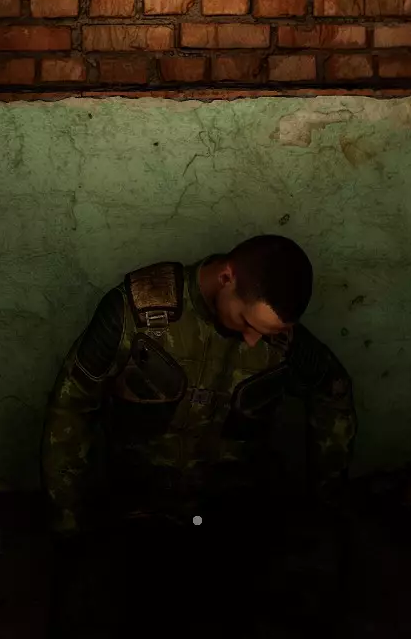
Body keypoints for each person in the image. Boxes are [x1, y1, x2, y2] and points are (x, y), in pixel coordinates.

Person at [41, 234, 358, 634]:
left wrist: (326, 498)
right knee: (94, 608)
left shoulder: (277, 337)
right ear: (226, 277)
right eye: (247, 322)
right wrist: (69, 525)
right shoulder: (133, 315)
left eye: (265, 331)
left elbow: (333, 390)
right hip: (139, 511)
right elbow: (70, 407)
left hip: (231, 512)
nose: (253, 339)